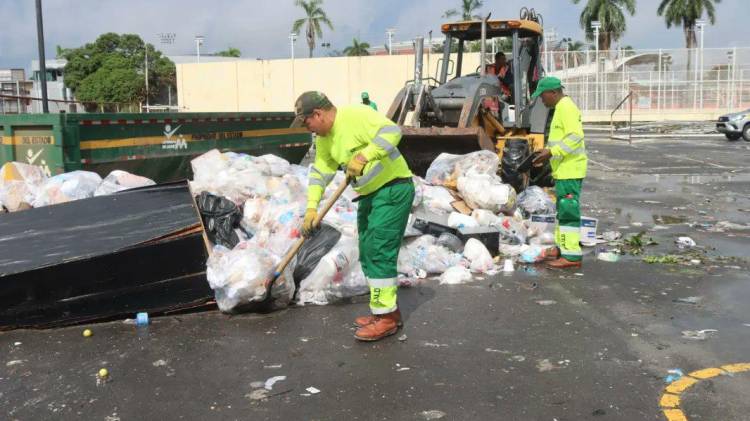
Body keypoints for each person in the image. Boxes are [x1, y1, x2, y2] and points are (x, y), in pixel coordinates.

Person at [294, 91, 414, 341]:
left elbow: (392, 131)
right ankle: (383, 311)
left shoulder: (355, 115)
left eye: (307, 122)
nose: (308, 128)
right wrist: (312, 208)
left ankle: (387, 319)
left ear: (317, 114)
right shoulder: (325, 138)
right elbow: (320, 173)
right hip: (370, 195)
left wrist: (364, 155)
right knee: (368, 250)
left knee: (379, 250)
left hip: (392, 188)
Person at [530, 77, 587, 269]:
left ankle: (571, 257)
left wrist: (551, 152)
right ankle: (561, 247)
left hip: (570, 170)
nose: (542, 101)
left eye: (543, 96)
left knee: (568, 211)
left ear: (553, 92)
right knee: (562, 212)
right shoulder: (560, 108)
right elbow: (560, 139)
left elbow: (575, 137)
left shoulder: (566, 107)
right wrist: (545, 153)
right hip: (564, 170)